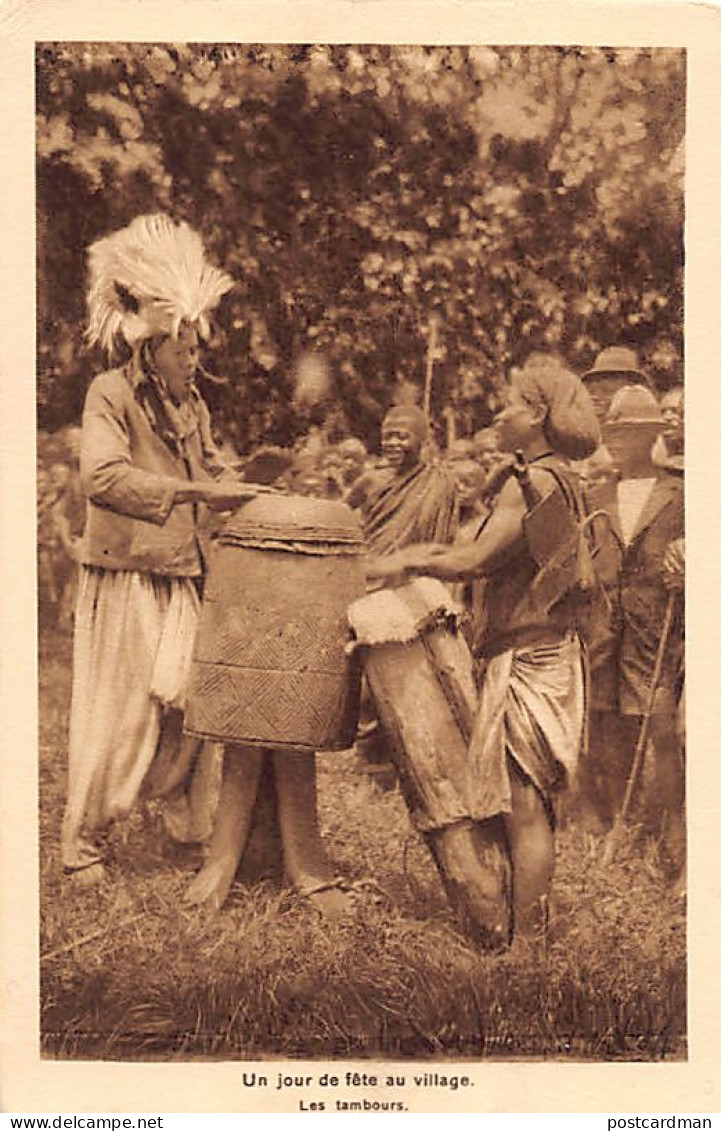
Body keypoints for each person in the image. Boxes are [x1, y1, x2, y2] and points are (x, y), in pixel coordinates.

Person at [369, 358, 601, 938]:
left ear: (539, 414)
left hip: (530, 657)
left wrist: (404, 559)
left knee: (524, 806)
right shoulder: (558, 477)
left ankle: (526, 947)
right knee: (529, 804)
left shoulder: (538, 483)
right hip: (544, 652)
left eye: (511, 404)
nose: (498, 414)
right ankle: (526, 931)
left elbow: (475, 560)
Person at [61, 213, 257, 886]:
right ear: (151, 347)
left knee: (188, 702)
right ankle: (84, 841)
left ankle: (183, 831)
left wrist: (244, 485)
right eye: (184, 347)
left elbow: (209, 473)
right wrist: (194, 492)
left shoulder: (190, 405)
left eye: (197, 347)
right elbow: (103, 477)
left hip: (183, 569)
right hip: (128, 572)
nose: (194, 357)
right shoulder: (109, 394)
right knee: (124, 708)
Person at [583, 385, 684, 870]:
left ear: (651, 436)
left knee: (658, 729)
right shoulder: (596, 495)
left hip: (656, 627)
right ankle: (611, 827)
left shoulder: (680, 492)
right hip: (604, 630)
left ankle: (667, 835)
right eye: (614, 431)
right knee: (606, 729)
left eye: (630, 432)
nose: (618, 439)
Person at [350, 403, 459, 786]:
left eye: (402, 435)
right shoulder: (370, 482)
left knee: (415, 685)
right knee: (369, 688)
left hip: (417, 590)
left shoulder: (442, 482)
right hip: (373, 588)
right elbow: (346, 520)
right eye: (387, 434)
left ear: (423, 440)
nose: (392, 442)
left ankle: (416, 767)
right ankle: (372, 768)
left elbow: (445, 539)